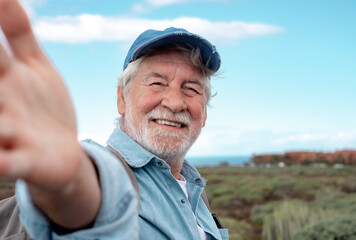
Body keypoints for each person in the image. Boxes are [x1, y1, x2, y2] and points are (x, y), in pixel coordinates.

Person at [0, 0, 228, 239]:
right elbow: (86, 204)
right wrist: (67, 184)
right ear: (122, 98)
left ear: (204, 113)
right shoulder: (106, 179)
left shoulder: (196, 192)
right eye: (157, 83)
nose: (174, 102)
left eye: (191, 89)